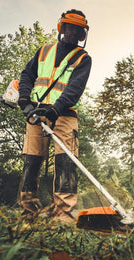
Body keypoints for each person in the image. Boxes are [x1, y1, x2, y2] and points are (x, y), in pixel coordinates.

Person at [17, 9, 92, 223]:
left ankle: (63, 213)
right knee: (31, 161)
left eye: (77, 29)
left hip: (65, 115)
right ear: (62, 28)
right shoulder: (43, 52)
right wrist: (24, 97)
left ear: (82, 34)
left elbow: (74, 89)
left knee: (66, 163)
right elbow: (27, 74)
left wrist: (56, 108)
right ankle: (28, 212)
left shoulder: (83, 58)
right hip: (36, 113)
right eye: (69, 27)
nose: (72, 31)